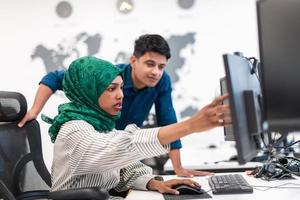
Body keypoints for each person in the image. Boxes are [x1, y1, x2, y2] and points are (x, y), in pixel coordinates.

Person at [19, 34, 209, 177]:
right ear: (133, 60)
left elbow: (168, 119)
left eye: (161, 67)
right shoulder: (109, 76)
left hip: (123, 144)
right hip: (98, 145)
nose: (156, 72)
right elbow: (54, 77)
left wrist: (178, 169)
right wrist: (34, 111)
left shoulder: (161, 82)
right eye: (150, 64)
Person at [47, 56, 230, 199]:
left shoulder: (101, 125)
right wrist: (190, 125)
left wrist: (152, 182)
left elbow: (124, 168)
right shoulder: (73, 130)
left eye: (121, 88)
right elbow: (119, 149)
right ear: (89, 91)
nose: (120, 95)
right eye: (111, 89)